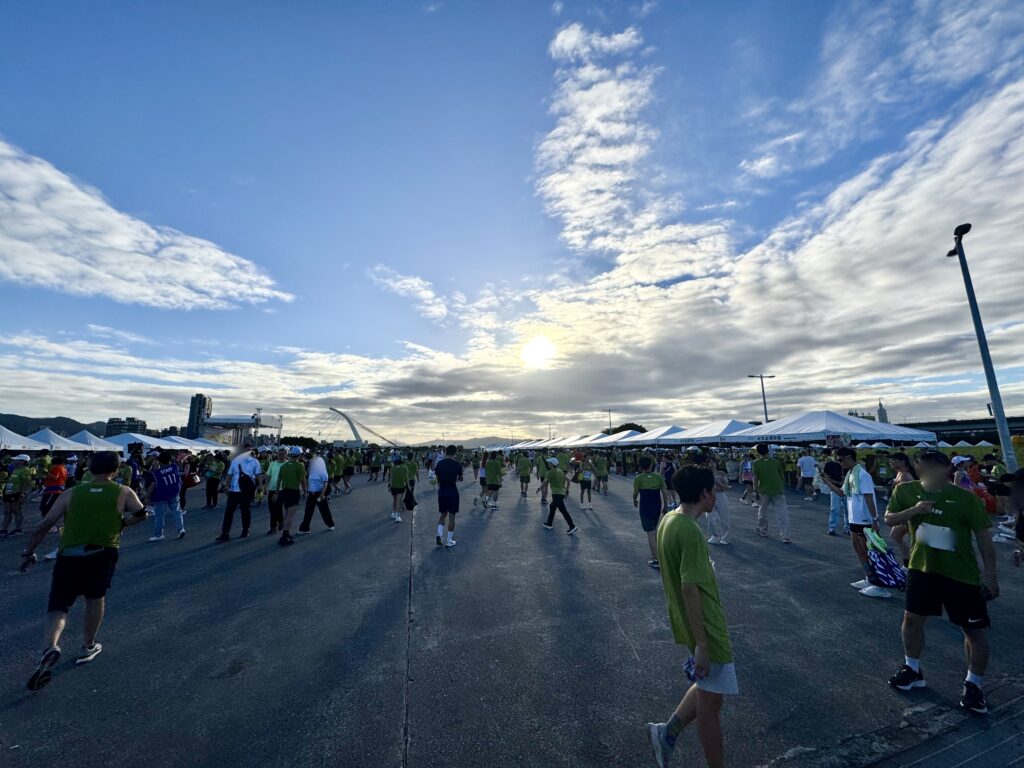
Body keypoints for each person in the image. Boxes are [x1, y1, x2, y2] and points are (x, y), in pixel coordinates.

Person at [20, 452, 148, 690]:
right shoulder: (123, 492)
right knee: (94, 599)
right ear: (115, 470)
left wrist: (28, 552)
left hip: (69, 555)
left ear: (90, 468)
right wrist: (122, 523)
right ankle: (88, 646)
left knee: (58, 606)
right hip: (102, 553)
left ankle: (51, 646)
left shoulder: (71, 493)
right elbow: (141, 514)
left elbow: (44, 525)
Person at [884, 450, 998, 715]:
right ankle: (912, 669)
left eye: (935, 468)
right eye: (924, 468)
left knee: (973, 631)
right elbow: (890, 519)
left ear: (946, 470)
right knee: (912, 620)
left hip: (960, 573)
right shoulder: (906, 491)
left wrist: (990, 573)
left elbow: (983, 537)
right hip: (922, 568)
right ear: (918, 469)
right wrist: (915, 510)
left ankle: (974, 685)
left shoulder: (965, 498)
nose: (930, 472)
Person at [646, 465, 736, 768]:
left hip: (689, 622)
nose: (716, 496)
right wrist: (703, 645)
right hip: (706, 627)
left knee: (707, 687)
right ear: (704, 493)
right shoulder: (691, 531)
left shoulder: (669, 519)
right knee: (711, 707)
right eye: (714, 490)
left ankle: (666, 733)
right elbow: (689, 588)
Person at [836, 447, 889, 599]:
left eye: (840, 460)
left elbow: (868, 498)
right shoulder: (851, 474)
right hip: (854, 518)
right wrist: (825, 480)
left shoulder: (863, 475)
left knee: (871, 552)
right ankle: (870, 578)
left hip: (865, 518)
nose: (840, 463)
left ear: (848, 457)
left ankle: (881, 586)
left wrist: (875, 519)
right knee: (859, 549)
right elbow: (841, 493)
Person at [215, 450, 262, 542]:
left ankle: (246, 529)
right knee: (229, 512)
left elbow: (258, 474)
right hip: (234, 490)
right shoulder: (235, 461)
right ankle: (225, 533)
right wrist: (226, 486)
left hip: (246, 491)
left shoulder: (254, 461)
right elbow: (230, 474)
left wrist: (260, 485)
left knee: (245, 511)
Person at [633, 456, 667, 569]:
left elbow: (635, 492)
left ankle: (656, 558)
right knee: (655, 529)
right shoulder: (658, 477)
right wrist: (666, 505)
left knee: (650, 532)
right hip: (657, 504)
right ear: (651, 465)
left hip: (645, 505)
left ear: (640, 466)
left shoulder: (638, 478)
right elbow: (664, 492)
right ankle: (659, 554)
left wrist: (634, 500)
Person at [752, 444, 790, 543]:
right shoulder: (776, 462)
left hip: (764, 490)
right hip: (778, 489)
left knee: (762, 512)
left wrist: (755, 490)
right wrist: (781, 486)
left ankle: (763, 530)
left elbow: (755, 478)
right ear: (768, 451)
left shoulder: (756, 463)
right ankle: (785, 536)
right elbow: (782, 475)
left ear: (758, 452)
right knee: (782, 513)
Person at [146, 451, 185, 542]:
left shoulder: (157, 473)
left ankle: (159, 534)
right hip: (174, 493)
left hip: (161, 496)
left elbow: (153, 484)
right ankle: (181, 529)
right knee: (177, 512)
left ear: (160, 461)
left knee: (159, 515)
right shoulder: (174, 467)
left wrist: (148, 495)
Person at [888, 452, 917, 563]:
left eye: (894, 460)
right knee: (896, 535)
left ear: (903, 461)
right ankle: (908, 560)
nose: (891, 462)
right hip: (903, 511)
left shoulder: (905, 476)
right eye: (890, 460)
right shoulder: (899, 473)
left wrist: (905, 515)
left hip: (908, 511)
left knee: (913, 539)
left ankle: (911, 562)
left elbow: (909, 497)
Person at [298, 451, 335, 534]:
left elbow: (325, 483)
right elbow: (308, 480)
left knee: (324, 510)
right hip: (311, 493)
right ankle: (305, 528)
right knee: (308, 511)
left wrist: (322, 494)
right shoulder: (311, 471)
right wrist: (307, 491)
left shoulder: (323, 472)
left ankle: (331, 524)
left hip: (319, 493)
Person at [434, 444, 463, 547]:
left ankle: (439, 534)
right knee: (452, 517)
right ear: (455, 453)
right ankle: (449, 540)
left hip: (442, 492)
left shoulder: (440, 463)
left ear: (446, 452)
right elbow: (460, 478)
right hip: (453, 492)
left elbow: (437, 477)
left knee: (443, 515)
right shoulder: (457, 464)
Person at [276, 447, 306, 546]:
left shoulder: (284, 466)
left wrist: (276, 492)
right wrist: (305, 491)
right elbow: (303, 480)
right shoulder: (300, 465)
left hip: (284, 491)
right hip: (294, 492)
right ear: (299, 455)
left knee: (286, 514)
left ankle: (286, 533)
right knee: (290, 515)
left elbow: (278, 480)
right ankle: (284, 536)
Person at [540, 458, 577, 535]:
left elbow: (544, 482)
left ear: (552, 464)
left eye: (549, 463)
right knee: (552, 507)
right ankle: (549, 523)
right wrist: (567, 491)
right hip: (561, 493)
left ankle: (572, 526)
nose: (548, 464)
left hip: (556, 494)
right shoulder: (560, 471)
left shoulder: (550, 472)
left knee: (563, 510)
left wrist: (539, 489)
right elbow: (568, 480)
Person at [2, 454, 34, 536]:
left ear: (22, 462)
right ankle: (4, 530)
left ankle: (18, 529)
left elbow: (26, 483)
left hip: (16, 493)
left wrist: (22, 494)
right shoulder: (15, 469)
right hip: (8, 492)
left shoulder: (25, 470)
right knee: (7, 512)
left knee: (16, 511)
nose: (14, 461)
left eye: (16, 460)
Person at [819, 452, 848, 536]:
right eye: (834, 451)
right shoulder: (829, 464)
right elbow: (826, 477)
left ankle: (848, 528)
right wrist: (838, 482)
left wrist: (844, 481)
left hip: (847, 490)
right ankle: (832, 528)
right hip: (835, 489)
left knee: (848, 510)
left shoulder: (847, 463)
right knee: (835, 509)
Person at [264, 447, 288, 535]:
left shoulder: (287, 464)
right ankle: (280, 522)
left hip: (282, 489)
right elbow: (268, 476)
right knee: (272, 509)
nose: (281, 456)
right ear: (277, 455)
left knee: (276, 508)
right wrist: (264, 487)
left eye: (283, 454)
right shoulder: (272, 464)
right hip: (272, 489)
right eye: (279, 454)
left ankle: (273, 527)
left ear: (286, 455)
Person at [389, 455, 408, 523]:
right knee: (399, 501)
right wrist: (408, 485)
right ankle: (398, 516)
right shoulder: (404, 467)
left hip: (393, 486)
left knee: (394, 500)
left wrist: (389, 485)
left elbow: (391, 478)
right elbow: (406, 477)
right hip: (401, 486)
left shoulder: (392, 468)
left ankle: (394, 513)